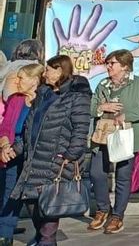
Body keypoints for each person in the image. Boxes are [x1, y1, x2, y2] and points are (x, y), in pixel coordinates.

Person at [13, 56, 90, 246]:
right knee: (32, 203)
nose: (44, 74)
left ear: (59, 71)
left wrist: (71, 154)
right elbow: (31, 124)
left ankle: (46, 240)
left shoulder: (76, 96)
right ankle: (43, 239)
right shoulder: (44, 94)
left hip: (56, 159)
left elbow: (81, 128)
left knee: (50, 207)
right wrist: (20, 147)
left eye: (48, 70)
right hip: (34, 158)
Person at [87, 49, 139, 234]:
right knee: (96, 173)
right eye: (107, 63)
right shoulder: (102, 84)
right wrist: (102, 107)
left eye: (112, 63)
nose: (108, 66)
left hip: (127, 135)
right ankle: (103, 209)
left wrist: (128, 116)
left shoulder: (137, 83)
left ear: (125, 66)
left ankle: (117, 215)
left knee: (123, 176)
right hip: (103, 135)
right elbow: (92, 108)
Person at [0, 62, 43, 244]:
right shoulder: (15, 99)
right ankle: (5, 234)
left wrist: (14, 148)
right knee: (8, 193)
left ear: (34, 80)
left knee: (33, 197)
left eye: (21, 78)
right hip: (11, 153)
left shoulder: (43, 102)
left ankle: (43, 234)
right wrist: (4, 146)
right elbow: (5, 126)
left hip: (34, 155)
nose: (17, 81)